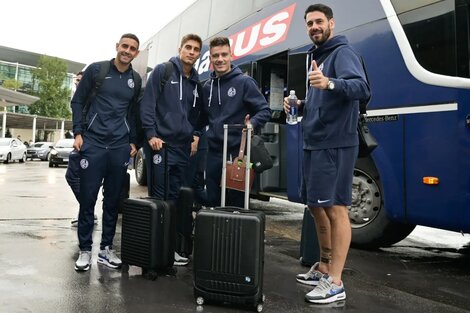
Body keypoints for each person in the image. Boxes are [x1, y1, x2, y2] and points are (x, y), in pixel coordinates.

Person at [283, 4, 370, 304]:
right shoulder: (316, 56)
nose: (314, 27)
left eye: (319, 21)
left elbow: (361, 88)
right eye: (309, 23)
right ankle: (323, 266)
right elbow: (323, 100)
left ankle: (336, 281)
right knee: (315, 206)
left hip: (335, 143)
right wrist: (301, 106)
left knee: (336, 208)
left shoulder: (342, 53)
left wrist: (330, 82)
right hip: (315, 142)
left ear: (331, 23)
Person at [71, 33, 141, 272]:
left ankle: (105, 250)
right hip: (94, 144)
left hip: (120, 147)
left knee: (112, 201)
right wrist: (78, 133)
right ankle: (85, 250)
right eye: (124, 46)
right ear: (117, 47)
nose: (127, 51)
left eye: (132, 48)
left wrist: (134, 142)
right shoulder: (97, 70)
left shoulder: (136, 79)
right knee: (88, 199)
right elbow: (78, 101)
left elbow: (134, 113)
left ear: (136, 53)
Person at [140, 33, 203, 266]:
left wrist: (195, 135)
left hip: (182, 148)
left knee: (175, 199)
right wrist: (151, 135)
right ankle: (155, 249)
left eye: (196, 49)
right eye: (188, 47)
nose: (192, 52)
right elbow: (148, 104)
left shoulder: (196, 82)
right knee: (159, 197)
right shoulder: (163, 71)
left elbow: (198, 115)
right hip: (161, 145)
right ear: (180, 49)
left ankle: (170, 247)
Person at [197, 36, 271, 208]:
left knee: (236, 204)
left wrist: (251, 122)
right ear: (210, 59)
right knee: (213, 201)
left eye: (224, 54)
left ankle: (234, 234)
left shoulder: (244, 82)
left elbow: (264, 110)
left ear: (231, 55)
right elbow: (201, 119)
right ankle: (214, 233)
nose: (220, 59)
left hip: (238, 154)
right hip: (214, 153)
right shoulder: (207, 87)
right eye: (216, 56)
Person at [67, 70, 98, 227]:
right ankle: (87, 212)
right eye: (76, 80)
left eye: (81, 80)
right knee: (77, 178)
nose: (78, 83)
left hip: (89, 141)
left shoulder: (91, 96)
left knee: (75, 177)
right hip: (82, 139)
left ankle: (88, 212)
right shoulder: (79, 97)